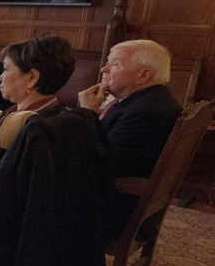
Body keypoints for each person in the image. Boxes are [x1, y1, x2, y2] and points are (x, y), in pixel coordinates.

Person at [78, 39, 182, 178]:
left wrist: (86, 113)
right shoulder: (151, 99)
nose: (104, 69)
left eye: (115, 64)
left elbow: (98, 162)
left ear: (143, 75)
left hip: (109, 194)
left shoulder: (146, 111)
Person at [0, 34, 75, 153]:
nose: (0, 77)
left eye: (6, 69)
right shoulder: (50, 115)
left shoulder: (24, 126)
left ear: (32, 78)